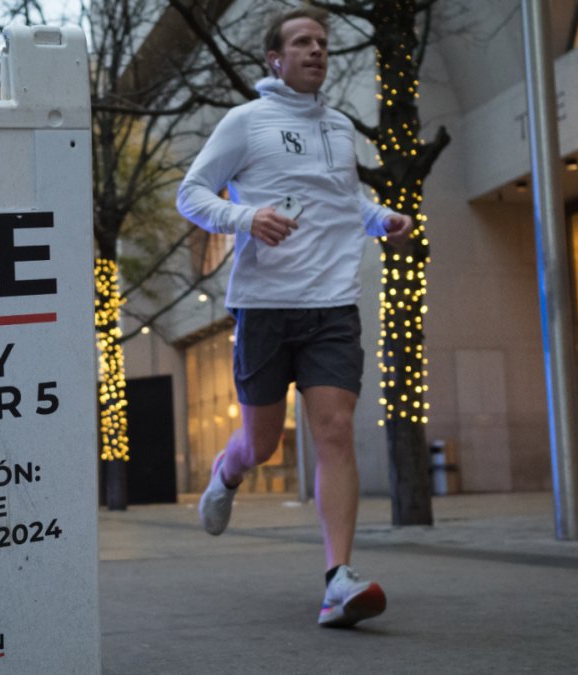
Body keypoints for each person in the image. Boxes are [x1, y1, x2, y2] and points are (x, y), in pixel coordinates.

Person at [176, 5, 413, 628]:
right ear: (274, 59)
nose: (317, 51)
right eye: (302, 42)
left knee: (334, 431)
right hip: (264, 307)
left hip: (331, 304)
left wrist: (381, 219)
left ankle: (338, 581)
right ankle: (227, 472)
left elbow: (345, 200)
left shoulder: (338, 128)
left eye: (323, 43)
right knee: (263, 443)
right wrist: (244, 217)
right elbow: (191, 193)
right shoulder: (245, 123)